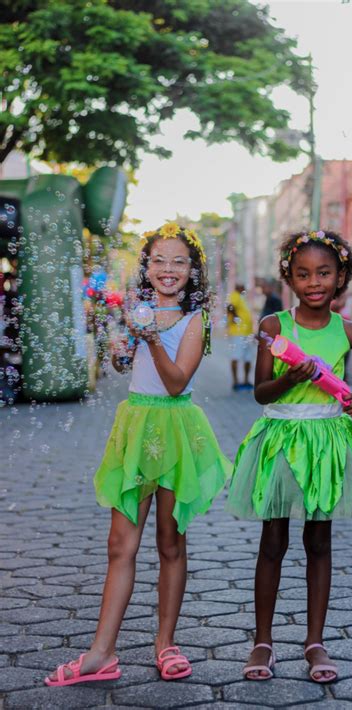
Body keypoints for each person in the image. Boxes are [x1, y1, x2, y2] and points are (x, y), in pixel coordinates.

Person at [45, 223, 232, 687]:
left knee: (170, 542)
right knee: (119, 545)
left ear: (193, 271)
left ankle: (165, 643)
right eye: (159, 261)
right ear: (145, 267)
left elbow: (175, 381)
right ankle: (100, 653)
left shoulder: (195, 321)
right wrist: (121, 345)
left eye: (179, 262)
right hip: (136, 425)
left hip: (174, 427)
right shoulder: (138, 308)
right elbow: (124, 364)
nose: (168, 269)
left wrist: (149, 336)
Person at [226, 229, 352, 684]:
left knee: (319, 541)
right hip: (282, 438)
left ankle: (314, 643)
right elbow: (261, 393)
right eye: (302, 274)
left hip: (326, 443)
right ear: (289, 278)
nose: (314, 282)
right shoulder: (274, 328)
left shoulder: (348, 331)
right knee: (273, 542)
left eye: (324, 272)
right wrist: (290, 377)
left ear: (341, 275)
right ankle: (262, 641)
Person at [226, 283, 254, 390]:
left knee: (248, 357)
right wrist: (234, 316)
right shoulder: (235, 295)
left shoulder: (242, 297)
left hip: (246, 332)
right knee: (236, 356)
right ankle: (236, 381)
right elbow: (230, 306)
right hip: (238, 332)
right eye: (242, 286)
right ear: (238, 287)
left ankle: (246, 380)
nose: (244, 288)